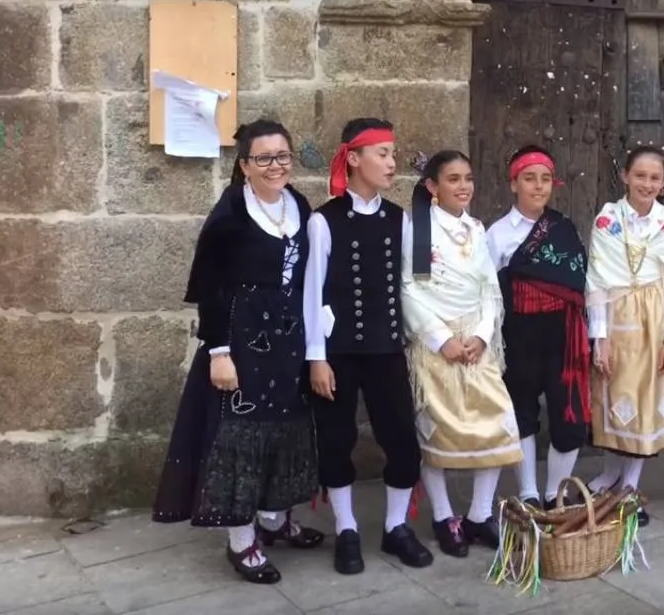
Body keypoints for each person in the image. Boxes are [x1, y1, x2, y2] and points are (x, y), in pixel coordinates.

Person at [152, 119, 324, 585]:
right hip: (242, 340)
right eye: (263, 158)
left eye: (282, 156)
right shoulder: (230, 212)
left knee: (283, 431)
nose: (275, 165)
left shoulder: (299, 205)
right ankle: (241, 540)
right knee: (239, 438)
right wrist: (219, 353)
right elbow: (210, 288)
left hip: (287, 342)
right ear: (245, 165)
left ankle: (274, 519)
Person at [303, 118, 432, 574]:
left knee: (402, 441)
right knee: (336, 441)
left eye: (393, 153)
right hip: (337, 353)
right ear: (354, 158)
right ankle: (346, 529)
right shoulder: (323, 220)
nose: (392, 162)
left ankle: (396, 527)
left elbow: (413, 285)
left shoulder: (401, 219)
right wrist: (316, 358)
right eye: (383, 153)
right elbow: (311, 293)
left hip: (386, 349)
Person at [402, 150, 523, 556]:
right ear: (432, 186)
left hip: (475, 342)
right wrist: (441, 338)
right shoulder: (417, 229)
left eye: (468, 178)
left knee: (497, 422)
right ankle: (443, 516)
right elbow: (408, 288)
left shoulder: (475, 227)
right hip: (436, 343)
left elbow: (490, 287)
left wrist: (483, 335)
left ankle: (478, 514)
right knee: (436, 428)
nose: (463, 186)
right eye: (453, 179)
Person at [584, 145, 664, 528]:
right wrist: (599, 337)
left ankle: (630, 486)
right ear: (625, 177)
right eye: (640, 176)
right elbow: (597, 280)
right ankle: (610, 473)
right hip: (617, 320)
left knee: (644, 401)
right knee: (616, 397)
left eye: (655, 178)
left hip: (654, 321)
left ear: (663, 183)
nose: (647, 184)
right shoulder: (607, 220)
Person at [486, 146, 591, 510]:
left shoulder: (564, 228)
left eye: (545, 179)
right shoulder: (497, 234)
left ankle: (555, 493)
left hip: (563, 336)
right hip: (519, 334)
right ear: (513, 183)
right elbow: (488, 292)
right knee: (521, 412)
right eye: (529, 178)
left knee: (569, 415)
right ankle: (529, 491)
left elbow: (581, 282)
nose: (538, 186)